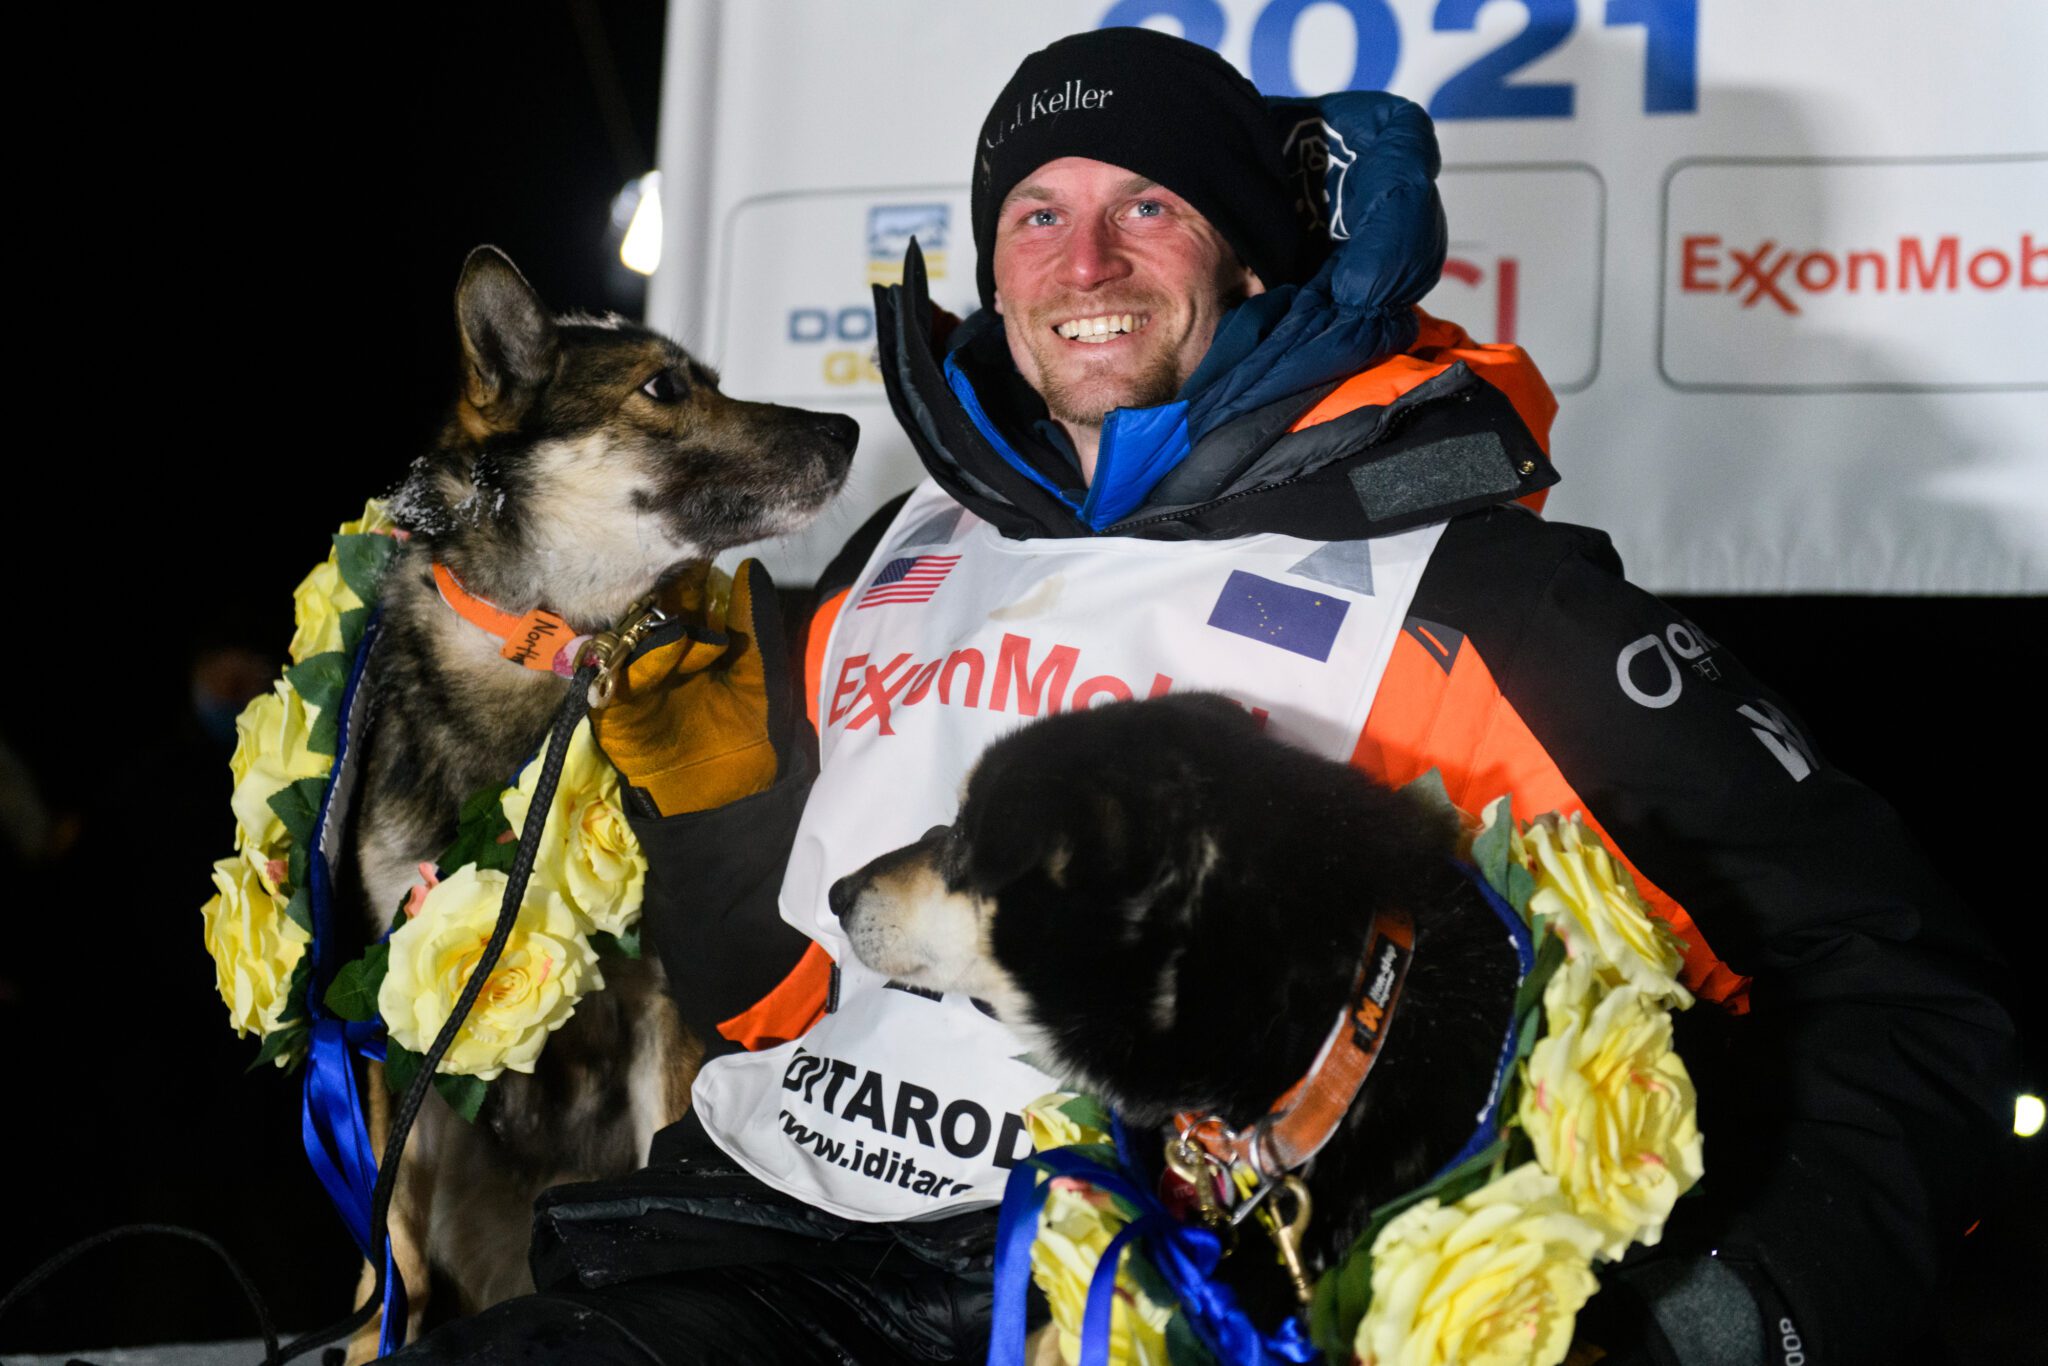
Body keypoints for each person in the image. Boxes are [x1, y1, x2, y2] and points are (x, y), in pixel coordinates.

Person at [389, 26, 2015, 1366]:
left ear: (1238, 251)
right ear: (995, 272)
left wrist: (1738, 1315)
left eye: (1148, 205)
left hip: (1165, 1303)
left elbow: (1901, 988)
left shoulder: (1453, 588)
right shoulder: (902, 544)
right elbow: (787, 999)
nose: (1084, 259)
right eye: (1036, 214)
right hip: (762, 1258)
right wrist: (721, 827)